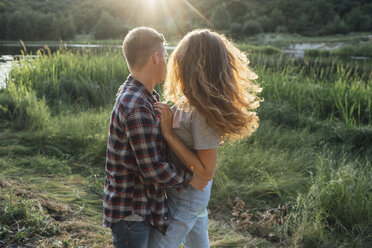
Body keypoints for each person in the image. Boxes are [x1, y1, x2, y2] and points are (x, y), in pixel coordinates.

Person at [149, 29, 261, 248]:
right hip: (188, 194)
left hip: (188, 197)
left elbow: (206, 172)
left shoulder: (201, 113)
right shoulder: (189, 102)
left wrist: (169, 135)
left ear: (190, 66)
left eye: (180, 61)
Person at [103, 27, 208, 248]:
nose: (167, 63)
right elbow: (151, 168)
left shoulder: (142, 95)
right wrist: (189, 179)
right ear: (156, 57)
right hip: (132, 213)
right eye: (166, 57)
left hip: (139, 209)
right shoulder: (138, 105)